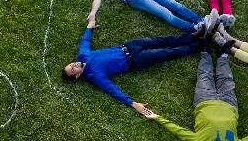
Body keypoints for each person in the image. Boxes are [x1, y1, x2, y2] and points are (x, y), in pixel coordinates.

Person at [62, 15, 217, 115]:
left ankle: (192, 36)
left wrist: (90, 25)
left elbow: (85, 41)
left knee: (163, 40)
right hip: (136, 60)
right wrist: (133, 104)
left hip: (129, 46)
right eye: (72, 69)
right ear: (76, 76)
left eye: (71, 64)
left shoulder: (82, 55)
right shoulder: (94, 76)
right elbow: (112, 90)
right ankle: (199, 45)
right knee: (168, 52)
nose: (74, 65)